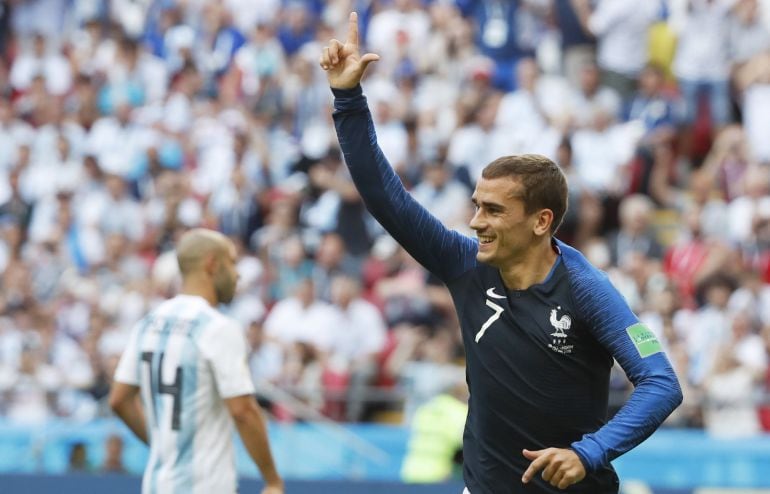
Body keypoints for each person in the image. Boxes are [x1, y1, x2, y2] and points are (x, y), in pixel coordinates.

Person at [319, 13, 682, 493]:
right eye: (476, 207)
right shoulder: (463, 262)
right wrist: (348, 99)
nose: (475, 222)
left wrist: (587, 452)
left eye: (492, 210)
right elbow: (386, 198)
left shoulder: (586, 288)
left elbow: (661, 383)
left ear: (541, 221)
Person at [109, 228, 284, 494]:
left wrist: (162, 445)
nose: (237, 274)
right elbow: (243, 411)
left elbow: (119, 399)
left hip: (156, 484)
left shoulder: (149, 322)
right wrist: (272, 479)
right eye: (232, 262)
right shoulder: (218, 327)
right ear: (212, 264)